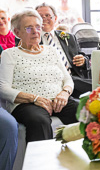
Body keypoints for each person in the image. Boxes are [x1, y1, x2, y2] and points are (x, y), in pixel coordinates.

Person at [0, 9, 78, 142]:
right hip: (27, 104)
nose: (36, 31)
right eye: (29, 28)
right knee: (39, 121)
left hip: (59, 100)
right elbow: (3, 88)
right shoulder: (10, 54)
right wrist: (34, 98)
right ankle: (42, 161)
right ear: (17, 33)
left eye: (37, 27)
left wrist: (64, 93)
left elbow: (67, 79)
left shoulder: (51, 50)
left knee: (85, 112)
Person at [36, 3, 91, 98]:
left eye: (48, 15)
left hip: (74, 77)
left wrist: (83, 60)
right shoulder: (31, 39)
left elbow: (83, 57)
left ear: (55, 18)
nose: (44, 18)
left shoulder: (68, 37)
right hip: (50, 81)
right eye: (40, 16)